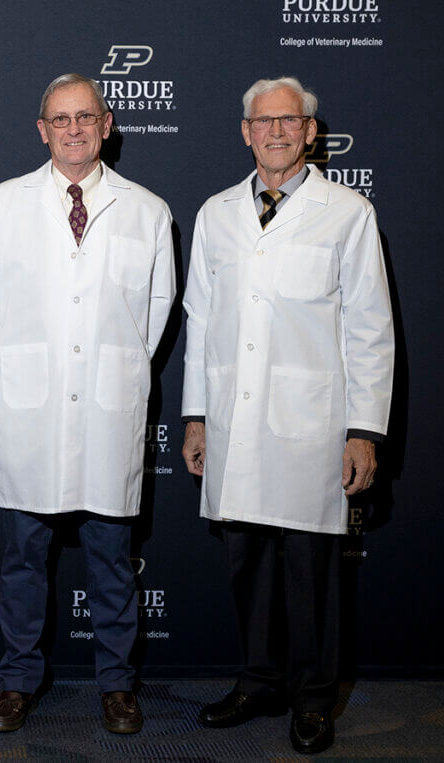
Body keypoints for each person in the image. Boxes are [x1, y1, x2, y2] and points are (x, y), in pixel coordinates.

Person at [181, 76, 394, 755]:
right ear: (245, 132)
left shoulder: (347, 212)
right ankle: (259, 680)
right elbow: (201, 321)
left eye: (289, 121)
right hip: (233, 424)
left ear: (309, 132)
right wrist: (195, 416)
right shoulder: (217, 213)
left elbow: (370, 326)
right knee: (246, 562)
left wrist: (364, 429)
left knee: (309, 569)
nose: (275, 132)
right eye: (262, 122)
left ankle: (311, 697)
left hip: (313, 424)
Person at [0, 73, 175, 735]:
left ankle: (117, 683)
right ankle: (18, 679)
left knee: (113, 557)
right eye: (61, 119)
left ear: (107, 123)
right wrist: (39, 370)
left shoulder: (146, 209)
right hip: (32, 410)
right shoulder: (2, 206)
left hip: (109, 412)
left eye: (86, 116)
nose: (74, 129)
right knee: (24, 558)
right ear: (42, 129)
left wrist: (105, 367)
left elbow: (156, 312)